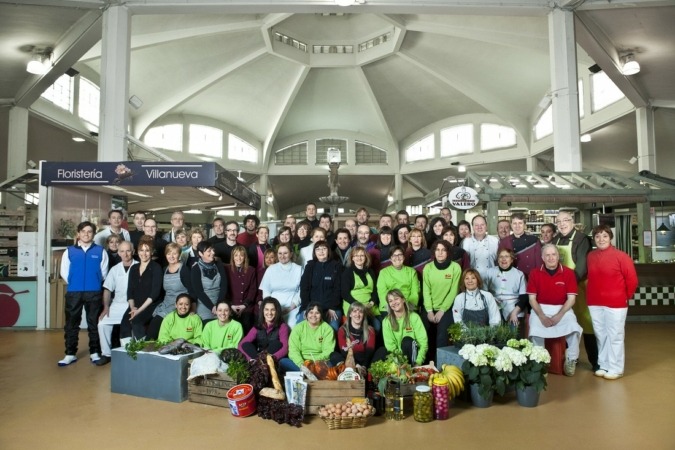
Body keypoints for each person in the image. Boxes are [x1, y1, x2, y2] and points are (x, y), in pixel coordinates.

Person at [586, 224, 638, 380]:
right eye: (597, 236)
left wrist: (624, 296)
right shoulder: (591, 256)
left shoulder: (621, 256)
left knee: (615, 335)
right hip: (595, 301)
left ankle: (616, 368)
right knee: (601, 335)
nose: (601, 239)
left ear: (610, 238)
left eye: (604, 236)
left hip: (616, 302)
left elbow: (632, 280)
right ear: (594, 239)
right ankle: (604, 364)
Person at [58, 221, 109, 366]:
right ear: (78, 233)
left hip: (94, 292)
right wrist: (76, 282)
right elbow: (64, 272)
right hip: (74, 292)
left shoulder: (100, 251)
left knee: (94, 324)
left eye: (89, 231)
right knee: (71, 324)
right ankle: (70, 353)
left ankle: (94, 352)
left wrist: (93, 282)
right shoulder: (69, 251)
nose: (86, 234)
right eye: (83, 231)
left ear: (93, 234)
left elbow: (103, 273)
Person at [551, 211, 597, 371]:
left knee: (586, 323)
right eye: (559, 221)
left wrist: (568, 286)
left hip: (579, 287)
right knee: (564, 323)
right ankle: (568, 359)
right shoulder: (555, 239)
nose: (562, 224)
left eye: (566, 220)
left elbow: (582, 265)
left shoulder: (581, 239)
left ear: (572, 221)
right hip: (559, 288)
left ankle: (595, 361)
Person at [527, 244, 583, 377]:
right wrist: (541, 316)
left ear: (558, 256)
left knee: (574, 329)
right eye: (547, 255)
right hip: (540, 308)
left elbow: (571, 300)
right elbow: (532, 299)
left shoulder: (569, 273)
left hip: (563, 309)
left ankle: (571, 359)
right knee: (535, 330)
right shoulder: (534, 273)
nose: (551, 258)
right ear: (542, 257)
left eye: (553, 255)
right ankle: (540, 362)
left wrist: (559, 316)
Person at [97, 240, 136, 366]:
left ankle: (130, 354)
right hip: (117, 304)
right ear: (118, 253)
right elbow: (108, 289)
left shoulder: (139, 266)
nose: (125, 254)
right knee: (102, 323)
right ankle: (106, 354)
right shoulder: (115, 269)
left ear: (133, 252)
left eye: (128, 251)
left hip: (134, 304)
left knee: (133, 325)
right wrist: (106, 307)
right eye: (122, 251)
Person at [120, 235, 162, 341]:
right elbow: (130, 291)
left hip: (150, 305)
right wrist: (133, 307)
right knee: (125, 323)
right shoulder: (133, 268)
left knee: (137, 322)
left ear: (152, 252)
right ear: (137, 252)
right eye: (141, 250)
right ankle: (128, 352)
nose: (144, 253)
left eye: (147, 250)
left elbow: (154, 294)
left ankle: (141, 351)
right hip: (135, 304)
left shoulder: (156, 268)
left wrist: (138, 311)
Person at [422, 240, 462, 350]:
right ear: (434, 252)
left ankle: (440, 364)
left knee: (442, 336)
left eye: (443, 250)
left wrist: (442, 310)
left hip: (447, 308)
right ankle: (423, 364)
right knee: (423, 333)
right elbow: (426, 290)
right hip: (429, 307)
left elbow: (453, 291)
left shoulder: (455, 267)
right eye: (437, 250)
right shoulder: (428, 268)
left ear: (448, 252)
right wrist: (429, 311)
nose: (440, 253)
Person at [147, 243, 191, 339]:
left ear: (179, 255)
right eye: (168, 253)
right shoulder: (164, 269)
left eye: (174, 253)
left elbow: (192, 291)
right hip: (166, 303)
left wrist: (193, 308)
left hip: (180, 304)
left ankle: (148, 346)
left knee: (157, 322)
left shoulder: (184, 270)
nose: (171, 256)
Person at [373, 289, 428, 366]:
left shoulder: (414, 317)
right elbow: (390, 346)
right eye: (390, 301)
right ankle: (369, 376)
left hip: (414, 357)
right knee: (381, 351)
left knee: (407, 340)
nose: (394, 302)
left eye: (396, 299)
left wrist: (418, 362)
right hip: (398, 359)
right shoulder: (386, 321)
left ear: (403, 300)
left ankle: (411, 367)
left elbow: (423, 343)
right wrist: (399, 362)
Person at [280, 302, 336, 373]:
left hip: (319, 363)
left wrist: (313, 363)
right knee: (283, 362)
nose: (314, 315)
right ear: (306, 314)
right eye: (311, 312)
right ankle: (308, 373)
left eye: (317, 313)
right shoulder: (298, 328)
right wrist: (302, 365)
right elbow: (293, 350)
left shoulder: (327, 329)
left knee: (331, 366)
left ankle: (306, 374)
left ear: (321, 315)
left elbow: (328, 351)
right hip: (301, 363)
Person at [299, 242, 343, 331]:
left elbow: (338, 289)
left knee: (332, 329)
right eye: (318, 249)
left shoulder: (336, 266)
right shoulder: (310, 266)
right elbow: (304, 289)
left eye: (324, 249)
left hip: (330, 308)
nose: (321, 251)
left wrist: (333, 307)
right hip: (311, 308)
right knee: (300, 327)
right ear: (314, 252)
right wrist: (306, 308)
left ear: (329, 251)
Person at [484, 249, 528, 333]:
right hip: (494, 307)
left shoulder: (519, 274)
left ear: (511, 259)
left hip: (514, 309)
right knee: (494, 336)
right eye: (501, 257)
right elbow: (484, 292)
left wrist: (514, 313)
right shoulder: (489, 272)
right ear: (498, 259)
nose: (503, 259)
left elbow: (524, 297)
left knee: (513, 337)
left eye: (507, 256)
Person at [259, 243, 302, 328]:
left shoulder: (298, 269)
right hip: (273, 308)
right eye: (280, 253)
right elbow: (266, 291)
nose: (282, 256)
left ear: (291, 254)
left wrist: (291, 307)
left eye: (285, 253)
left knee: (291, 326)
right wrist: (272, 308)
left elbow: (301, 291)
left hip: (292, 307)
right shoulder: (271, 269)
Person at [341, 246, 380, 332]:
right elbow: (345, 294)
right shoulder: (348, 272)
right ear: (352, 258)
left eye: (362, 255)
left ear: (366, 257)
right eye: (356, 256)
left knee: (380, 324)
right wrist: (360, 305)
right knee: (375, 326)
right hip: (353, 305)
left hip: (370, 305)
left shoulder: (371, 271)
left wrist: (371, 303)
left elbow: (375, 291)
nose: (359, 258)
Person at [239, 297, 290, 361]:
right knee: (246, 344)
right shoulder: (257, 326)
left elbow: (285, 348)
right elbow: (241, 345)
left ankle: (260, 361)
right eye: (266, 309)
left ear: (277, 311)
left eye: (273, 310)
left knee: (277, 344)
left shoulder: (282, 327)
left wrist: (271, 359)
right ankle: (257, 362)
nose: (269, 313)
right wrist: (250, 359)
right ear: (262, 311)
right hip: (257, 356)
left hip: (272, 357)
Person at [376, 245, 420, 318]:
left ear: (404, 257)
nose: (397, 258)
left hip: (408, 305)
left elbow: (415, 292)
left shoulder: (412, 271)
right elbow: (382, 292)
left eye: (400, 255)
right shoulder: (383, 272)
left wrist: (406, 308)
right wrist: (391, 308)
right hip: (389, 306)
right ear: (390, 258)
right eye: (394, 255)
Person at [331, 302, 376, 370]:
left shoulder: (370, 330)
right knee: (333, 355)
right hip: (349, 360)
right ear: (350, 314)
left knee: (382, 350)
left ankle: (365, 371)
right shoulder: (342, 330)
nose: (357, 314)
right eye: (354, 311)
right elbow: (344, 351)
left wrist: (364, 366)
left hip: (365, 361)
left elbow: (369, 352)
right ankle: (348, 370)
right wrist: (355, 364)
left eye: (360, 312)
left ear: (363, 315)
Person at [191, 241, 228, 323]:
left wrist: (218, 305)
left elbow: (224, 286)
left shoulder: (219, 264)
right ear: (200, 253)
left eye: (212, 250)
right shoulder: (196, 268)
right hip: (204, 304)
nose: (213, 253)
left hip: (220, 301)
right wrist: (212, 307)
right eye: (209, 251)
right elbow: (199, 292)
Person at [498, 212, 542, 278]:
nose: (517, 226)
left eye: (520, 223)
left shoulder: (534, 240)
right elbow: (500, 262)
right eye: (515, 223)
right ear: (511, 225)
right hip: (511, 277)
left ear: (524, 225)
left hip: (530, 277)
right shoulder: (504, 242)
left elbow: (539, 263)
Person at [225, 245, 257, 333]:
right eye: (236, 255)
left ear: (245, 257)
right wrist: (231, 305)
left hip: (246, 306)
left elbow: (253, 290)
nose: (238, 258)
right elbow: (225, 290)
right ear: (233, 257)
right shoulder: (226, 269)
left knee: (246, 325)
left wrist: (244, 305)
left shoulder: (251, 270)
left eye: (241, 255)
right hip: (231, 306)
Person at [461, 215, 498, 279]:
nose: (479, 227)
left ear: (486, 226)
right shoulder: (466, 241)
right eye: (476, 225)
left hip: (492, 279)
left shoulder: (495, 241)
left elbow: (498, 261)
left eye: (482, 225)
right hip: (473, 279)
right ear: (472, 227)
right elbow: (464, 263)